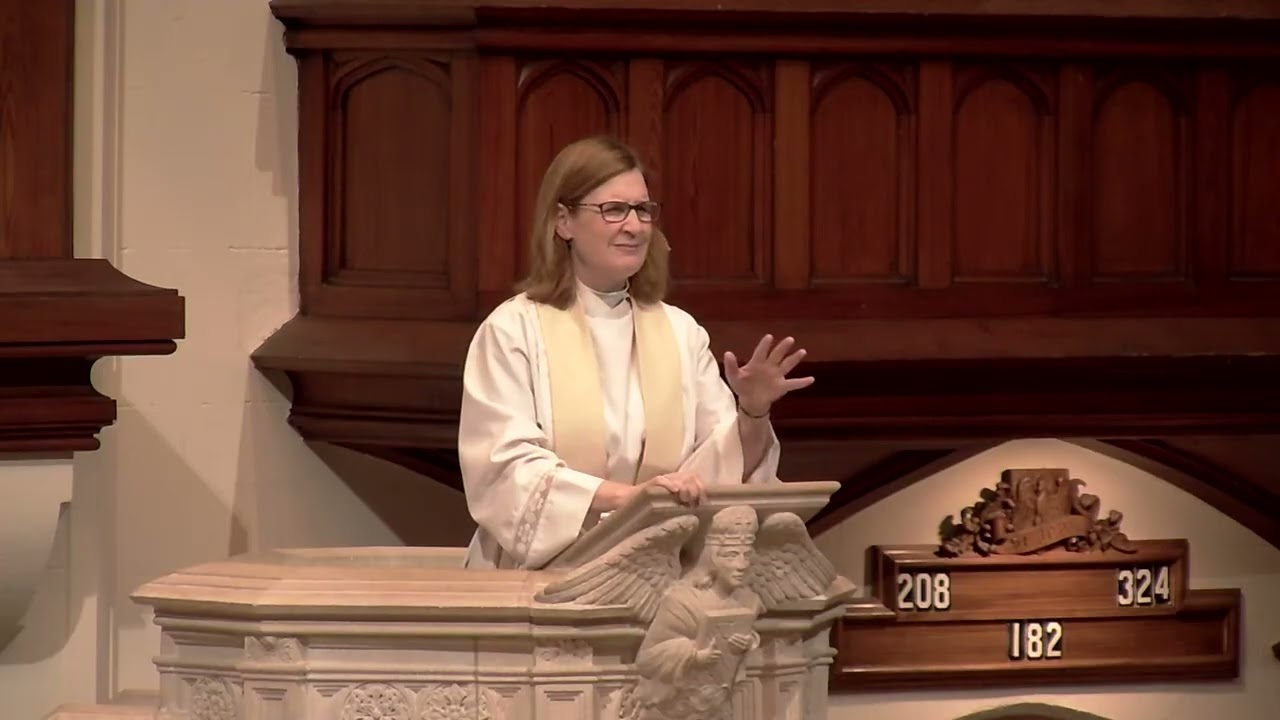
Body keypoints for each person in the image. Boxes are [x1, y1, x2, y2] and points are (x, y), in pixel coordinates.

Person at [457, 135, 814, 570]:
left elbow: (719, 471)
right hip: (544, 577)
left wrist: (753, 413)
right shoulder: (514, 330)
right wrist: (633, 500)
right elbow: (505, 469)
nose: (635, 225)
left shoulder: (679, 332)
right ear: (562, 221)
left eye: (643, 209)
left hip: (660, 572)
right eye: (613, 210)